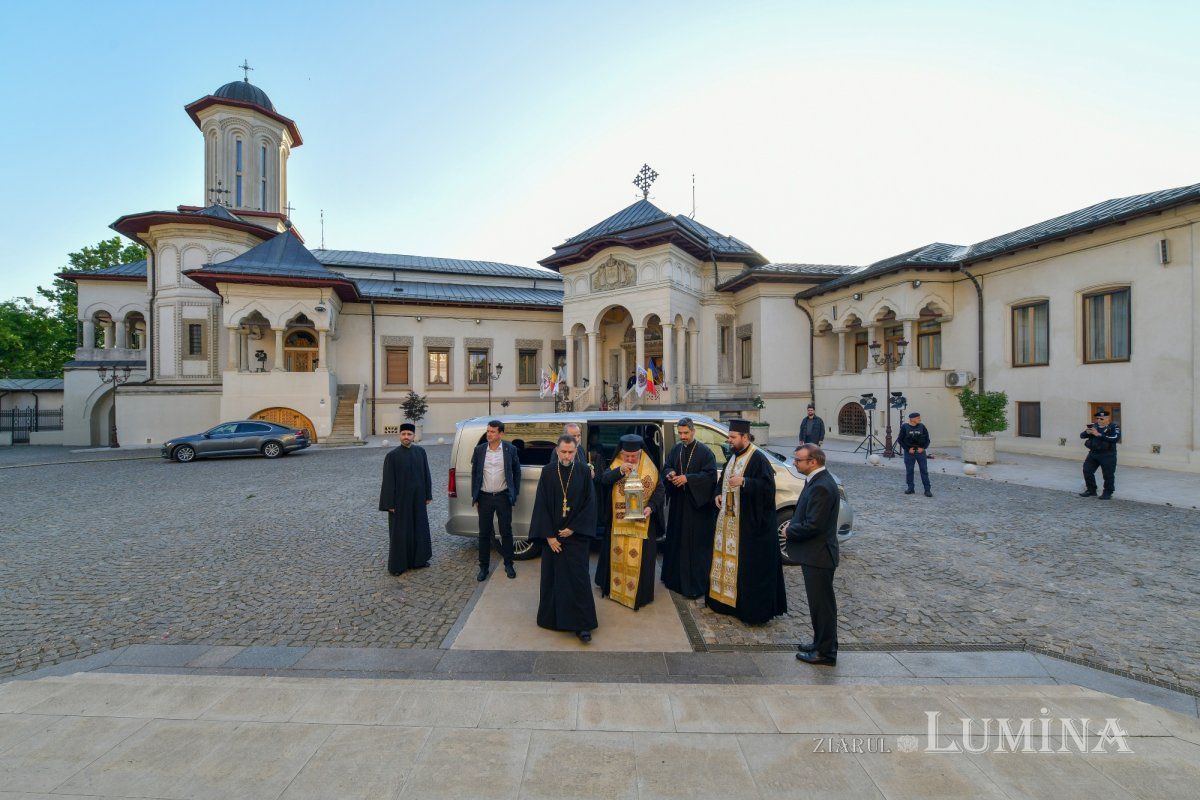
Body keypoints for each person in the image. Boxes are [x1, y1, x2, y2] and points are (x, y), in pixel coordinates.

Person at [708, 419, 787, 624]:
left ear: (745, 437)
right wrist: (718, 493)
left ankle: (748, 610)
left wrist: (745, 482)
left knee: (747, 570)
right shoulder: (733, 457)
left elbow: (768, 489)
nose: (730, 441)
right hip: (728, 523)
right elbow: (723, 479)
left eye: (733, 438)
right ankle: (724, 603)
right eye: (729, 437)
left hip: (750, 527)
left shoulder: (758, 459)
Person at [529, 434, 599, 642]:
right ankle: (552, 620)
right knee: (554, 578)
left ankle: (582, 625)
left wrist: (574, 528)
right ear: (557, 451)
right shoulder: (549, 471)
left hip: (576, 537)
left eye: (570, 452)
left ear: (576, 451)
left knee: (578, 580)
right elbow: (541, 503)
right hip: (554, 537)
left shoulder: (584, 471)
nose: (567, 456)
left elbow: (590, 503)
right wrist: (549, 535)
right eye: (563, 452)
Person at [785, 445, 840, 666]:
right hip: (814, 554)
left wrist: (790, 530)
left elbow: (814, 525)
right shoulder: (816, 480)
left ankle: (826, 653)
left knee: (823, 606)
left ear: (813, 462)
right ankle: (819, 643)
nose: (795, 463)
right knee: (817, 605)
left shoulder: (823, 486)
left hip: (819, 555)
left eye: (798, 460)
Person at [596, 434, 664, 610]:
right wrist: (619, 470)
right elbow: (603, 480)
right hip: (618, 523)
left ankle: (638, 596)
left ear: (640, 452)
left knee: (640, 560)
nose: (630, 459)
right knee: (616, 554)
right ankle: (615, 590)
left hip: (643, 522)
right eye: (627, 456)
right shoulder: (616, 464)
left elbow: (660, 490)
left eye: (634, 456)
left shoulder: (650, 466)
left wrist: (652, 507)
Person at [661, 418, 718, 598]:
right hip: (678, 505)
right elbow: (667, 466)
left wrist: (688, 479)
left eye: (686, 433)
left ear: (693, 432)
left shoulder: (705, 452)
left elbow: (710, 476)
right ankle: (674, 579)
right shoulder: (676, 450)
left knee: (694, 545)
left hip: (696, 509)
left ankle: (693, 584)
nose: (683, 436)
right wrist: (670, 473)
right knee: (676, 541)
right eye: (681, 433)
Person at [378, 422, 433, 575]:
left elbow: (426, 474)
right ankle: (398, 566)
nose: (406, 437)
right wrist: (389, 503)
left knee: (419, 529)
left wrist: (428, 495)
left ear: (413, 436)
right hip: (400, 501)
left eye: (409, 434)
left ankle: (419, 560)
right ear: (399, 436)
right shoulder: (392, 456)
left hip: (418, 499)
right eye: (403, 434)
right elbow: (388, 481)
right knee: (400, 533)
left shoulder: (421, 452)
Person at [471, 419, 521, 581]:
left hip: (503, 497)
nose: (489, 434)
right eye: (488, 431)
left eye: (492, 432)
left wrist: (514, 493)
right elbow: (475, 474)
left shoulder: (510, 449)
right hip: (484, 497)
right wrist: (476, 497)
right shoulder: (479, 450)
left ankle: (508, 564)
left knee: (506, 532)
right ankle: (483, 567)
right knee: (484, 534)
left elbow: (517, 472)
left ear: (501, 433)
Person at [1079, 408, 1121, 499]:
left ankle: (1107, 492)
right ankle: (1091, 490)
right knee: (1087, 470)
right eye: (1097, 418)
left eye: (1101, 419)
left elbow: (1115, 438)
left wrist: (1099, 434)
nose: (1098, 420)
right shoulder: (1094, 426)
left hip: (1108, 454)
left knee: (1108, 474)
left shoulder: (1113, 427)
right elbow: (1082, 436)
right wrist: (1087, 432)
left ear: (1107, 419)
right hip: (1093, 453)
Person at [897, 411, 932, 497]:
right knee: (909, 471)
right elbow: (900, 440)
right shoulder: (904, 427)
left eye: (919, 417)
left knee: (924, 471)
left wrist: (923, 448)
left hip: (921, 452)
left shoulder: (922, 427)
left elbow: (927, 440)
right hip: (909, 453)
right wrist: (908, 449)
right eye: (918, 418)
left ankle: (927, 490)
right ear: (912, 419)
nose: (920, 419)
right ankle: (910, 488)